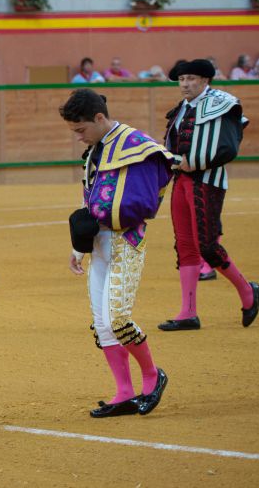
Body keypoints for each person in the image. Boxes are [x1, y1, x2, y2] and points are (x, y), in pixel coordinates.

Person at [62, 88, 172, 418]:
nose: (79, 137)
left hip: (126, 241)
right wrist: (79, 244)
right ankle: (124, 391)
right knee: (101, 322)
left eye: (81, 129)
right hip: (99, 242)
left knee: (118, 318)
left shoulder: (137, 146)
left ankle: (152, 375)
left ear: (99, 118)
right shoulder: (95, 150)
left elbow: (145, 202)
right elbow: (90, 198)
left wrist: (100, 218)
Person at [158, 59, 259, 332]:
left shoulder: (222, 103)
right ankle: (188, 312)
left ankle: (247, 289)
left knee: (208, 246)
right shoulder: (182, 108)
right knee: (185, 245)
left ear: (205, 80)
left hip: (206, 181)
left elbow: (228, 146)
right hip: (181, 180)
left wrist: (196, 162)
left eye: (191, 78)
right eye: (182, 79)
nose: (185, 84)